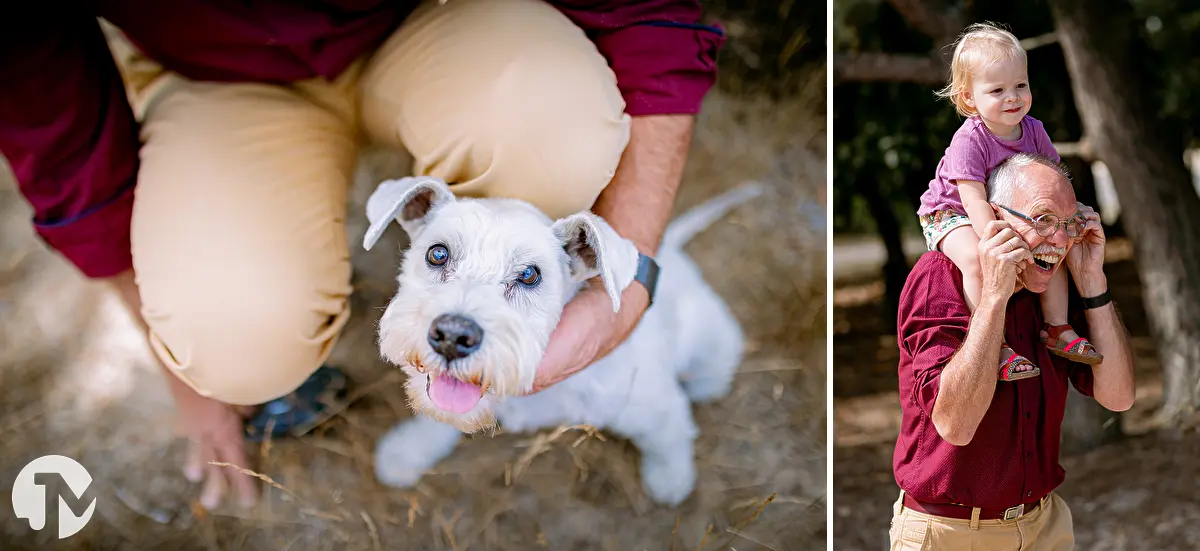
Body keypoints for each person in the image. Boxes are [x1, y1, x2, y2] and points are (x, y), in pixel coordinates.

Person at [0, 0, 725, 510]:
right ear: (404, 221)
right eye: (437, 255)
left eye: (529, 275)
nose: (457, 320)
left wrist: (632, 283)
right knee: (223, 336)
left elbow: (647, 14)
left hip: (437, 20)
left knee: (559, 130)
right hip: (217, 74)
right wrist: (186, 371)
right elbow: (47, 111)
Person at [890, 153, 1136, 550]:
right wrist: (994, 297)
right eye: (1042, 220)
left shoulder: (1056, 290)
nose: (1059, 240)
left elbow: (1120, 396)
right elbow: (956, 424)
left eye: (1069, 224)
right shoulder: (941, 276)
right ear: (995, 219)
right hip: (951, 534)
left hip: (1044, 526)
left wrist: (1092, 281)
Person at [917, 23, 1101, 382]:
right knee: (977, 261)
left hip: (1005, 211)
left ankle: (1058, 327)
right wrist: (997, 241)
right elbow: (973, 200)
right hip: (952, 213)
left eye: (1020, 85)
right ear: (970, 99)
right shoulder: (970, 139)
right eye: (998, 90)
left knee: (1054, 248)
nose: (1013, 97)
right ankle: (993, 343)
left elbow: (1054, 180)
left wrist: (1068, 216)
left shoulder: (1033, 130)